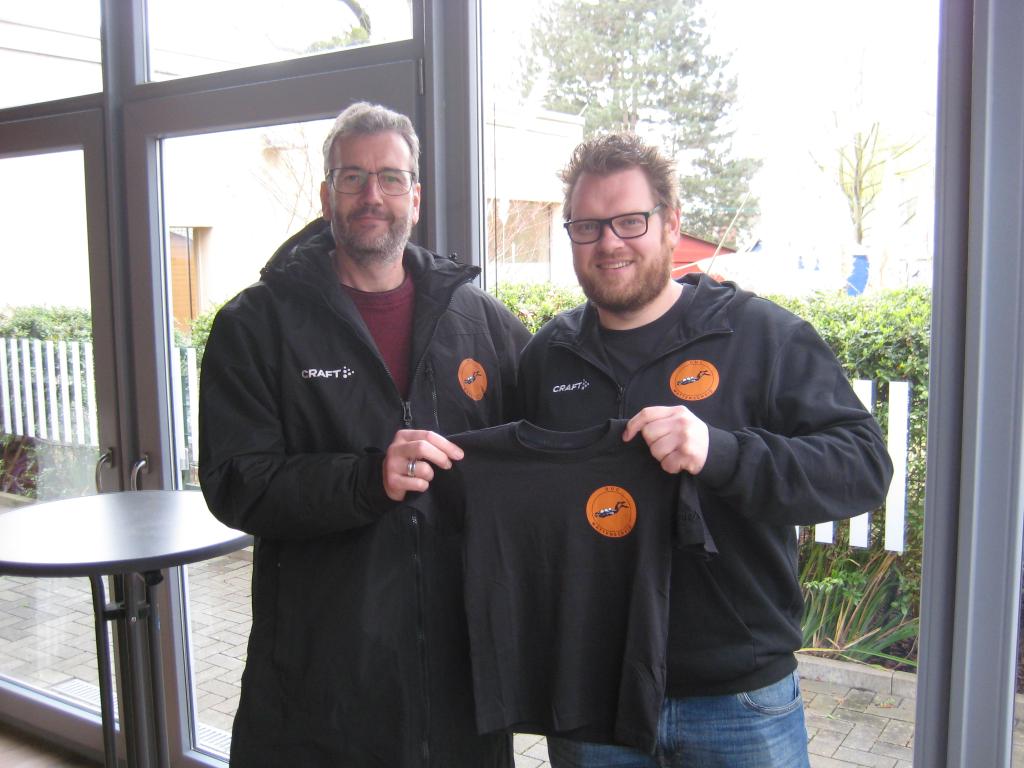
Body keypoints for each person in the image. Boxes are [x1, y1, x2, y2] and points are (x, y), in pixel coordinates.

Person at [516, 133, 894, 767]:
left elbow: (862, 467)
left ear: (671, 224)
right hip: (593, 697)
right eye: (587, 226)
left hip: (738, 701)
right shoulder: (545, 358)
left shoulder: (760, 336)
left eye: (630, 220)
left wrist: (720, 452)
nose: (608, 242)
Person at [198, 101, 530, 767]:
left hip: (458, 684)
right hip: (322, 686)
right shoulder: (256, 325)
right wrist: (367, 478)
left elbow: (550, 437)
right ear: (327, 196)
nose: (371, 195)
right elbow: (236, 481)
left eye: (389, 177)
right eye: (352, 177)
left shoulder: (482, 322)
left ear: (416, 196)